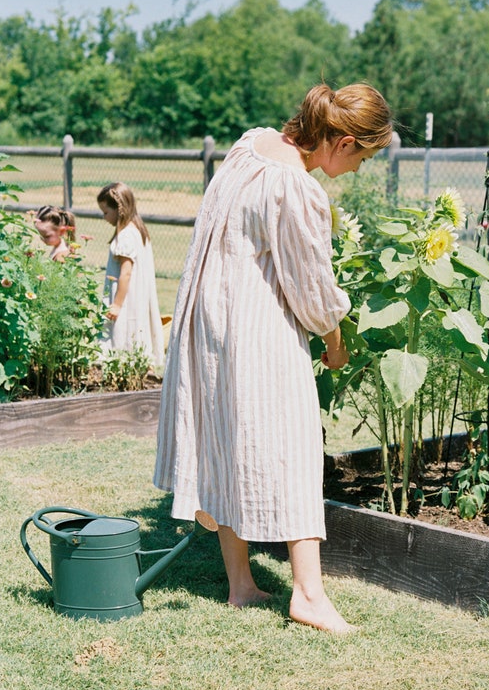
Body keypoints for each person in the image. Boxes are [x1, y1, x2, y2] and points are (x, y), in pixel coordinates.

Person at [154, 82, 392, 633]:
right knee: (292, 444)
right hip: (256, 330)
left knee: (225, 437)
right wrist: (336, 344)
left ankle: (242, 585)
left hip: (208, 318)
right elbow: (311, 287)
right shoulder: (296, 188)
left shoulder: (250, 146)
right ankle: (308, 595)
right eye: (363, 157)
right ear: (343, 142)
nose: (358, 170)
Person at [97, 181, 164, 367]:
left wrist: (117, 304)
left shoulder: (126, 235)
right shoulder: (138, 231)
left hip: (125, 298)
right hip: (137, 296)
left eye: (105, 212)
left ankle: (119, 367)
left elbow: (125, 273)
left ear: (119, 210)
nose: (104, 217)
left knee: (122, 333)